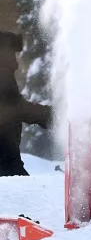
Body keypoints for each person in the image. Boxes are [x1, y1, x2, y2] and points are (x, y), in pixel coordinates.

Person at [0, 31, 52, 176]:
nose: (17, 58)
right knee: (19, 188)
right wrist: (52, 116)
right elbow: (15, 108)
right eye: (15, 53)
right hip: (5, 156)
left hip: (6, 154)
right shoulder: (3, 74)